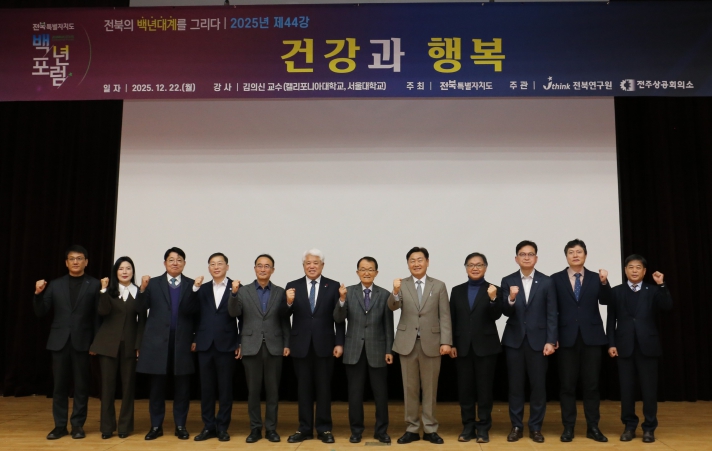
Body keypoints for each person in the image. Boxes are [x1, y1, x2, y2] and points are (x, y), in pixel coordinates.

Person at [33, 245, 101, 440]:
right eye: (72, 259)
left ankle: (78, 425)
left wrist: (96, 343)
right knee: (59, 387)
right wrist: (37, 294)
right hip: (59, 342)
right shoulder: (55, 285)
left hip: (83, 342)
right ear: (66, 262)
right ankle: (60, 426)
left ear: (86, 262)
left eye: (79, 258)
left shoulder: (94, 284)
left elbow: (98, 317)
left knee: (81, 386)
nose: (76, 262)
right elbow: (41, 311)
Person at [135, 247, 203, 441]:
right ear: (164, 263)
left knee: (182, 388)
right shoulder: (153, 283)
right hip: (157, 343)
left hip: (183, 342)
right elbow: (140, 308)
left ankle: (180, 425)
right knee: (157, 388)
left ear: (184, 264)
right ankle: (156, 426)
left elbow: (197, 314)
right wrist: (142, 289)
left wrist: (195, 338)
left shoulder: (192, 285)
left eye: (179, 259)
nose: (175, 263)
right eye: (171, 259)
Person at [389, 246, 452, 445]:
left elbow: (445, 315)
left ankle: (431, 429)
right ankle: (412, 428)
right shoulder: (402, 284)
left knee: (430, 389)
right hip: (407, 343)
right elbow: (392, 306)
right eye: (412, 261)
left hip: (432, 344)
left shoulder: (438, 285)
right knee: (410, 389)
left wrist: (446, 341)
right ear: (408, 264)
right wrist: (395, 292)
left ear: (427, 262)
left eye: (420, 260)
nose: (416, 264)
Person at [607, 254, 672, 444]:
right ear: (625, 270)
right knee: (627, 390)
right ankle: (629, 426)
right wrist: (611, 343)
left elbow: (667, 306)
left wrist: (661, 284)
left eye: (638, 268)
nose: (634, 270)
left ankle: (649, 428)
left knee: (649, 390)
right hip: (624, 347)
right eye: (631, 267)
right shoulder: (616, 291)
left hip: (648, 347)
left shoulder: (653, 290)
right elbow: (611, 320)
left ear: (644, 271)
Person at [551, 239, 610, 443]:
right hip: (566, 339)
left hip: (591, 338)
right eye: (571, 252)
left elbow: (606, 300)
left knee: (591, 385)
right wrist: (553, 336)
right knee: (567, 386)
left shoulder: (596, 278)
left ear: (585, 255)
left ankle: (593, 427)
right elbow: (552, 310)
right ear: (566, 256)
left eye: (579, 252)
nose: (575, 255)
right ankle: (568, 427)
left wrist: (604, 282)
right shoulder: (555, 279)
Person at [285, 249, 345, 444]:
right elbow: (283, 317)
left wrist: (339, 342)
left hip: (325, 345)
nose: (312, 266)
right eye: (308, 263)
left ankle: (324, 429)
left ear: (322, 265)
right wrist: (288, 302)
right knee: (303, 390)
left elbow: (339, 318)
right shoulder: (292, 286)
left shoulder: (333, 286)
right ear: (303, 266)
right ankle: (304, 429)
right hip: (300, 345)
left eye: (316, 263)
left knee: (324, 389)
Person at [228, 254, 290, 443]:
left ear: (273, 270)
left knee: (273, 391)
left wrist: (287, 343)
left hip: (274, 346)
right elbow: (234, 313)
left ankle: (271, 429)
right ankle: (255, 428)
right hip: (250, 346)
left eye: (267, 266)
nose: (263, 269)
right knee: (253, 391)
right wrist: (233, 294)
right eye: (260, 266)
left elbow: (284, 320)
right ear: (254, 268)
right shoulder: (243, 291)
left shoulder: (280, 292)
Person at [500, 240, 557, 443]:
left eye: (530, 254)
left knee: (538, 387)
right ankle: (516, 426)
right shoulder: (507, 280)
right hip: (514, 341)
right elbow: (504, 311)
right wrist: (511, 298)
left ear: (536, 258)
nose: (526, 257)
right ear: (516, 258)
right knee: (515, 387)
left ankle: (535, 427)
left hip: (539, 342)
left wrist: (551, 340)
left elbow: (552, 313)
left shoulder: (547, 281)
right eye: (522, 254)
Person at [333, 256, 395, 444]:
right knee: (355, 394)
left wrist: (389, 350)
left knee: (380, 394)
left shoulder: (384, 294)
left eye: (370, 269)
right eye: (363, 269)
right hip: (354, 351)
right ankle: (356, 431)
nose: (366, 272)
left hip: (378, 350)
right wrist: (341, 300)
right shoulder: (348, 292)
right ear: (357, 272)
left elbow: (388, 325)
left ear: (376, 272)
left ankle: (381, 431)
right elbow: (338, 318)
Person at [180, 252, 239, 442]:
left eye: (220, 263)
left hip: (227, 344)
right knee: (206, 389)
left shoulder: (236, 287)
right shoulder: (202, 288)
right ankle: (208, 426)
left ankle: (222, 428)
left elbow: (244, 317)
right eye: (212, 264)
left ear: (227, 267)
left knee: (225, 389)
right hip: (204, 344)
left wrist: (240, 342)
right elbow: (187, 310)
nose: (216, 267)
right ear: (208, 268)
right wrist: (194, 288)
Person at [90, 256, 146, 439]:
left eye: (128, 268)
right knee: (107, 387)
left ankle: (124, 427)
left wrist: (139, 344)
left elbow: (142, 321)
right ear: (115, 272)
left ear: (133, 271)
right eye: (121, 268)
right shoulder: (108, 291)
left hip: (130, 344)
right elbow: (103, 311)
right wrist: (103, 290)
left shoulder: (139, 292)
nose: (124, 272)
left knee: (128, 387)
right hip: (108, 345)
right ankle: (107, 427)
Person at [448, 252, 502, 444]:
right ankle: (468, 426)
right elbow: (451, 319)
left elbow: (497, 315)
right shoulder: (457, 291)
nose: (475, 268)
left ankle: (484, 427)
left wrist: (493, 299)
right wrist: (451, 343)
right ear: (466, 268)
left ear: (485, 267)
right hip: (462, 347)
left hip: (486, 347)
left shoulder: (494, 289)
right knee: (465, 390)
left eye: (479, 265)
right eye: (471, 265)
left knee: (485, 390)